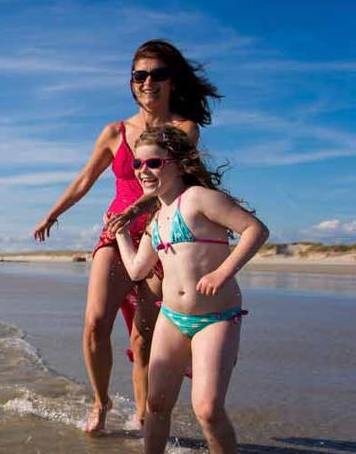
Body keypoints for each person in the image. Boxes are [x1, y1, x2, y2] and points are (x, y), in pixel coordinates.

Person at [32, 39, 222, 432]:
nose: (148, 81)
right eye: (140, 75)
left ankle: (143, 415)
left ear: (172, 81)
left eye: (158, 74)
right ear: (131, 81)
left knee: (144, 338)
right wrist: (53, 213)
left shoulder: (184, 128)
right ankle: (101, 403)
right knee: (95, 324)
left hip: (159, 236)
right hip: (115, 233)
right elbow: (86, 179)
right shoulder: (115, 131)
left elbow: (172, 183)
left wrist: (140, 209)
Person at [111, 125, 268, 453]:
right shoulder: (157, 218)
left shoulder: (197, 199)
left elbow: (256, 229)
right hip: (171, 319)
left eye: (153, 163)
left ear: (179, 163)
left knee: (207, 410)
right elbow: (138, 269)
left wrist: (223, 272)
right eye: (137, 165)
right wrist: (122, 234)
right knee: (155, 405)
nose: (143, 171)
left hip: (216, 317)